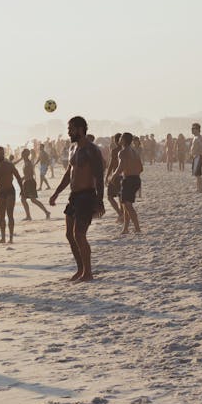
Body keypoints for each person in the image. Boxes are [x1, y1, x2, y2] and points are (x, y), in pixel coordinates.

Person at [49, 116, 105, 282]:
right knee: (69, 234)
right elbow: (68, 174)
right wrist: (56, 193)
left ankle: (88, 272)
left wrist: (99, 200)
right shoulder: (72, 149)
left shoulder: (92, 150)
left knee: (79, 234)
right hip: (74, 197)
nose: (68, 132)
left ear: (80, 129)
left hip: (87, 196)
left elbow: (99, 176)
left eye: (71, 129)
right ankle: (80, 269)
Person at [0, 147, 24, 244]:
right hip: (1, 192)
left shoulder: (9, 165)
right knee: (1, 216)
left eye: (2, 153)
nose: (1, 155)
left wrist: (22, 189)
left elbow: (18, 177)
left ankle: (11, 238)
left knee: (10, 214)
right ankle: (3, 237)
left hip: (10, 191)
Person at [111, 132, 143, 234]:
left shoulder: (122, 152)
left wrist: (113, 176)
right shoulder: (134, 151)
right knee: (125, 204)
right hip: (136, 179)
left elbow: (120, 167)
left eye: (120, 138)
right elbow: (141, 168)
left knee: (128, 205)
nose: (119, 139)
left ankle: (137, 228)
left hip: (128, 180)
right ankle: (125, 228)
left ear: (123, 140)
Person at [18, 148, 50, 220]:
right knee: (23, 199)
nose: (22, 155)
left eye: (23, 154)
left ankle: (46, 212)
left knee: (33, 200)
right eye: (22, 154)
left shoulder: (28, 163)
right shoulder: (25, 162)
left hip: (30, 182)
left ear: (26, 155)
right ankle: (28, 216)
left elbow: (30, 174)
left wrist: (21, 178)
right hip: (26, 182)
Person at [105, 133, 122, 221]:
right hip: (125, 176)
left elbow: (111, 164)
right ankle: (122, 215)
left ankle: (120, 214)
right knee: (121, 196)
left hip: (116, 176)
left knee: (110, 197)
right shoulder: (128, 150)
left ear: (115, 141)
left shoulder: (115, 151)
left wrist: (107, 176)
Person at [190, 122, 202, 193]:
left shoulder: (199, 137)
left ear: (197, 129)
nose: (192, 130)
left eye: (193, 128)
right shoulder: (195, 137)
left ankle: (200, 189)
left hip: (198, 157)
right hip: (196, 157)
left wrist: (200, 153)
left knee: (198, 174)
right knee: (196, 174)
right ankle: (198, 188)